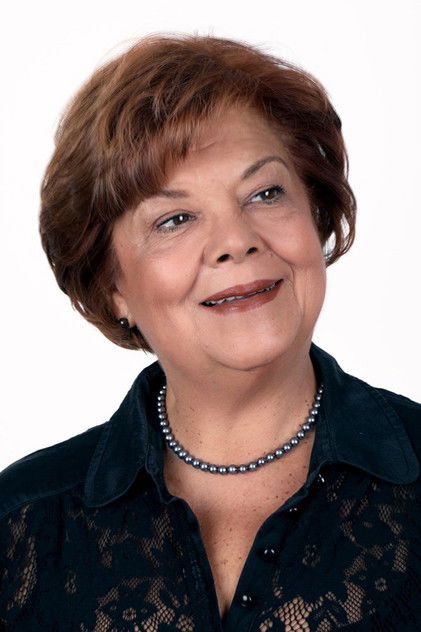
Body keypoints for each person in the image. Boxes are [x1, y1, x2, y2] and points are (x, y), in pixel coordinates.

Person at [0, 33, 419, 631]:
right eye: (175, 219)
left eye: (265, 193)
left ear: (315, 215)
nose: (236, 240)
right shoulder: (22, 523)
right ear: (112, 285)